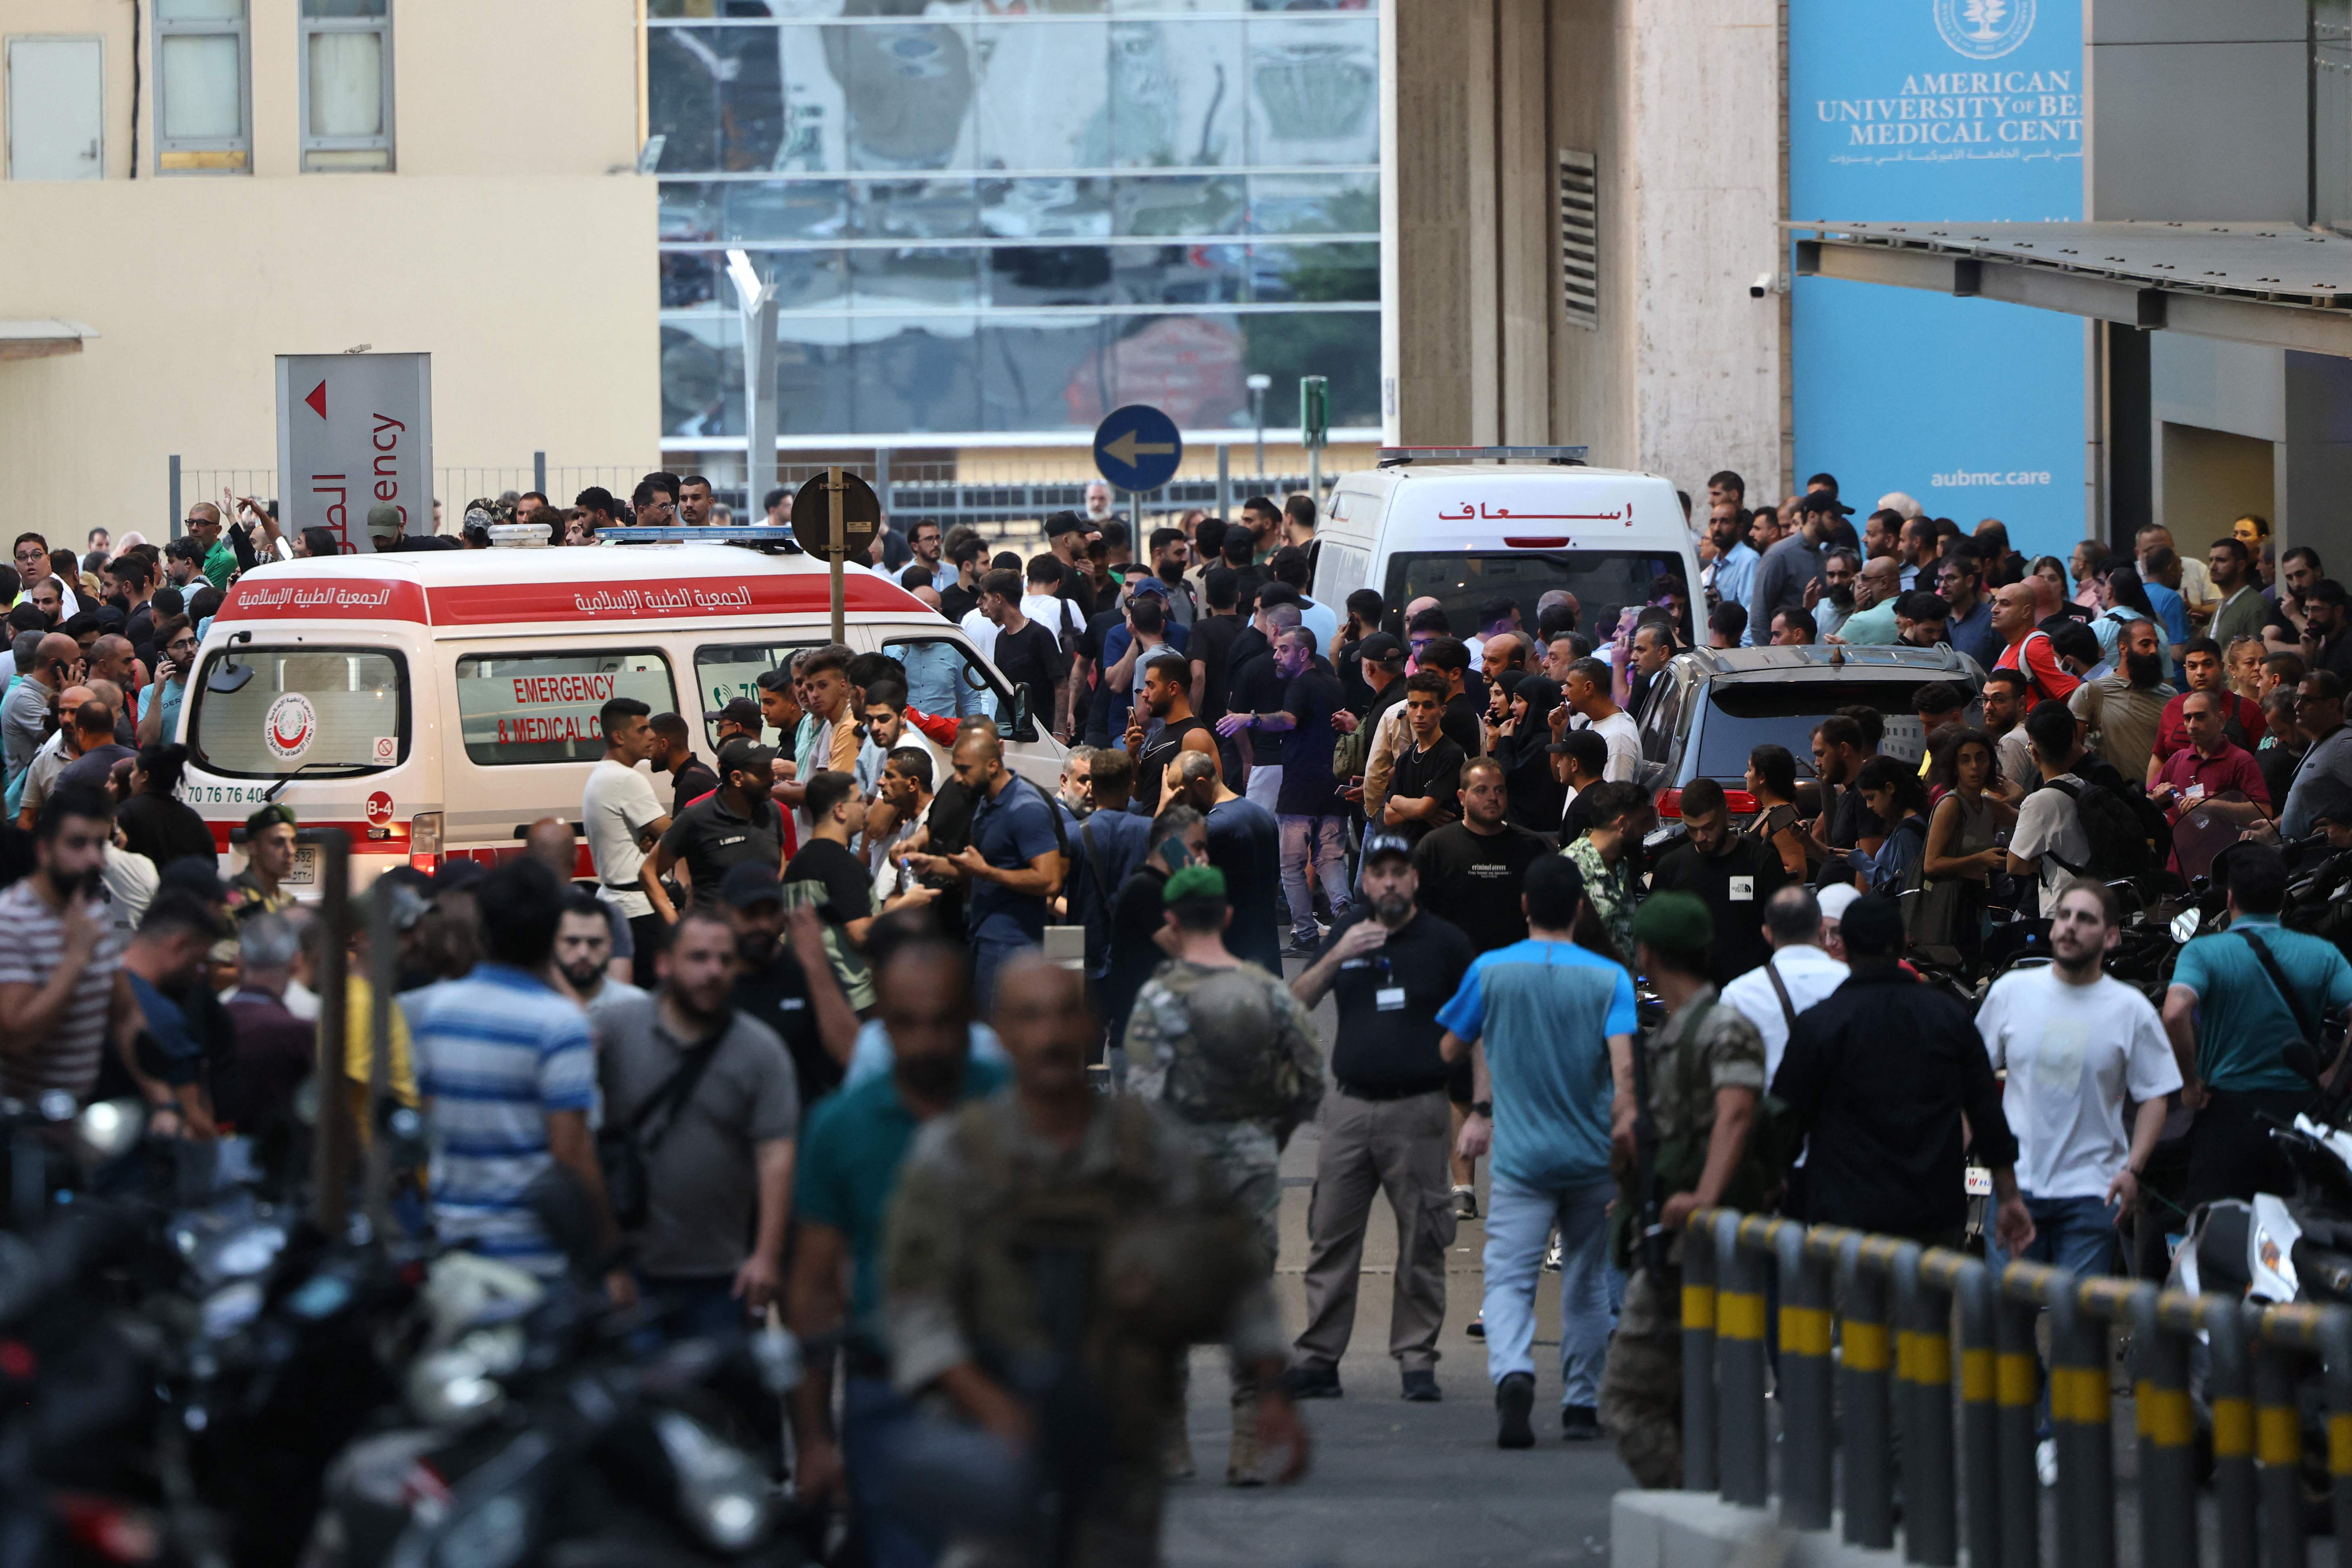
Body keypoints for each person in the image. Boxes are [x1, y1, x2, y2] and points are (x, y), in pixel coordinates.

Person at [882, 956, 1307, 1562]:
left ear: (1092, 1023)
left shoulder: (1153, 1146)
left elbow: (1233, 1267)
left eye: (1063, 1014)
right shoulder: (955, 1155)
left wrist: (1270, 1388)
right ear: (999, 1031)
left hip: (1121, 1444)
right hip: (995, 1446)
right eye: (1029, 1017)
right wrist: (986, 1402)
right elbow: (914, 1304)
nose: (1049, 1036)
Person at [789, 938, 1005, 1568]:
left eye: (943, 1021)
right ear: (881, 1020)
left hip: (1002, 1386)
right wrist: (812, 1438)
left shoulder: (1013, 1103)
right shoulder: (842, 1125)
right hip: (886, 1393)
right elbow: (811, 1290)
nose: (926, 1042)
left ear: (968, 1016)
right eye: (906, 1023)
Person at [1123, 864, 1325, 1482]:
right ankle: (1246, 1446)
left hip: (1177, 1172)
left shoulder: (1158, 997)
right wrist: (1269, 1134)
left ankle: (1172, 1445)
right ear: (1229, 917)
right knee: (1248, 1297)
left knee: (1163, 1303)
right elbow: (1310, 1077)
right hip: (1252, 1163)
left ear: (1173, 922)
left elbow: (1141, 1097)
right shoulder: (1266, 991)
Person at [1439, 856, 1636, 1447]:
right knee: (1584, 1283)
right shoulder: (1609, 978)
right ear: (1580, 907)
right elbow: (1624, 1073)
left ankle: (1514, 1372)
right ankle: (1579, 1401)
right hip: (1591, 1156)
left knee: (1508, 1276)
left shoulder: (1489, 970)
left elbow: (1450, 1043)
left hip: (1522, 1158)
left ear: (1523, 906)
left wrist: (1481, 1103)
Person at [1287, 831, 1476, 1403]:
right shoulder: (1347, 932)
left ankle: (1416, 1358)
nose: (1389, 881)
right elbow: (1296, 1000)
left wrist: (1479, 1109)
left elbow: (1477, 1027)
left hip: (1418, 1108)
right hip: (1348, 1106)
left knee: (1422, 1237)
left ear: (1413, 879)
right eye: (1379, 872)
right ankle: (1320, 1357)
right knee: (1329, 1236)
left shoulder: (1444, 942)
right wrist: (1340, 953)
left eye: (1399, 871)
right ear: (1364, 881)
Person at [1597, 892, 1766, 1487]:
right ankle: (1709, 1502)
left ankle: (1698, 1502)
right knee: (1682, 1398)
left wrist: (1705, 1196)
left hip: (1695, 1237)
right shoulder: (1677, 1030)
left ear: (1646, 953)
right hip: (1669, 1236)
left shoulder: (1719, 1025)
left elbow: (1737, 1111)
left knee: (1626, 1398)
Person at [1772, 894, 2033, 1251]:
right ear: (1902, 943)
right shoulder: (1948, 1019)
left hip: (1845, 1215)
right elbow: (1985, 1112)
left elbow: (1785, 1120)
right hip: (1932, 1212)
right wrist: (2009, 1196)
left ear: (1842, 945)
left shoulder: (1819, 1025)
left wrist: (1776, 1188)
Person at [595, 908, 798, 1333]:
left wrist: (766, 1255)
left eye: (725, 960)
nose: (713, 971)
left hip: (724, 1273)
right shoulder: (615, 1031)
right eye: (699, 957)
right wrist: (604, 1260)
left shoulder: (760, 1051)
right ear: (664, 963)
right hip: (635, 1270)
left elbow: (776, 1151)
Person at [413, 859, 615, 1280]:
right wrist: (609, 1253)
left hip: (453, 1251)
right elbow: (572, 1157)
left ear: (484, 927)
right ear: (551, 931)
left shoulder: (437, 1013)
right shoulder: (559, 1024)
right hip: (534, 1259)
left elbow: (428, 1128)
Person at [1978, 879, 2177, 1307]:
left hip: (2092, 1194)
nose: (2069, 926)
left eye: (2085, 919)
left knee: (2077, 1329)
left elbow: (2156, 1094)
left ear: (2110, 935)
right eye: (2064, 915)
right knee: (2007, 1325)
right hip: (2015, 1186)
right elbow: (1972, 1080)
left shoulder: (2131, 1009)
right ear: (2051, 929)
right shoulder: (2010, 992)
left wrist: (2133, 1169)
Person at [2163, 844, 2352, 1208]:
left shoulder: (2203, 952)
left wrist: (2189, 1084)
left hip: (2226, 1114)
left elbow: (2174, 1013)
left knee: (2212, 1232)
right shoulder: (2321, 953)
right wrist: (2335, 1074)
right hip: (2298, 1116)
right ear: (2282, 897)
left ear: (2230, 897)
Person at [903, 727, 1065, 1005]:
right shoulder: (984, 804)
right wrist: (932, 864)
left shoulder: (1026, 807)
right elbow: (977, 870)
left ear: (992, 765)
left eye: (964, 770)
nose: (957, 778)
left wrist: (987, 872)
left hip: (1014, 945)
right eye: (955, 769)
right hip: (983, 935)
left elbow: (1050, 880)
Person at [0, 785, 131, 1105]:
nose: (93, 858)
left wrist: (163, 1095)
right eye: (77, 843)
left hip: (83, 1119)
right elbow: (17, 1035)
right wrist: (76, 957)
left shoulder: (93, 914)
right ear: (44, 849)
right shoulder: (10, 921)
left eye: (100, 844)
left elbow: (125, 1013)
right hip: (21, 1128)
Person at [1648, 776, 1789, 987]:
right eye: (1691, 829)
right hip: (1693, 993)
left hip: (1752, 990)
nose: (1700, 837)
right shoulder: (1671, 867)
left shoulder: (1761, 862)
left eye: (1709, 827)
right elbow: (1658, 937)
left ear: (1727, 816)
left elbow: (1784, 931)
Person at [1168, 748, 1283, 976]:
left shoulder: (1214, 828)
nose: (1178, 803)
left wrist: (1165, 813)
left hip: (1230, 959)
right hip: (1266, 955)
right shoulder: (1263, 815)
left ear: (1200, 785)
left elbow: (1174, 873)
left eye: (1180, 795)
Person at [1718, 886, 1849, 1086]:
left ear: (1767, 934)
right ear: (1822, 931)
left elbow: (1726, 1076)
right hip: (1844, 1113)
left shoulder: (1738, 994)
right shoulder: (1852, 982)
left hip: (1770, 1113)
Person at [583, 697, 674, 978]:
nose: (653, 735)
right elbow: (676, 835)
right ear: (619, 737)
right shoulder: (626, 779)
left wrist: (655, 840)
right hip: (640, 908)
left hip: (619, 903)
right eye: (642, 729)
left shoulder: (602, 773)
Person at [655, 738, 787, 911]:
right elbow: (649, 872)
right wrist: (674, 923)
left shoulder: (772, 810)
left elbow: (780, 856)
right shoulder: (695, 817)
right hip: (716, 934)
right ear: (737, 778)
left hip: (763, 933)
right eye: (763, 773)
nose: (773, 778)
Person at [2007, 701, 2097, 917]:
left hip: (2060, 910)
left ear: (2035, 753)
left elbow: (2014, 864)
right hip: (2092, 902)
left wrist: (2035, 861)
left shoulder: (2040, 801)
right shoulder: (2084, 787)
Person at [2069, 616, 2175, 783]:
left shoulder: (2170, 696)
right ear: (2123, 648)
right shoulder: (2092, 692)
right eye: (2145, 644)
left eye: (2156, 644)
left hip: (2160, 798)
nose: (2154, 651)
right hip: (2114, 799)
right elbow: (2071, 751)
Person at [1379, 672, 1467, 846]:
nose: (1420, 713)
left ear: (1442, 711)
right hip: (1409, 851)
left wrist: (1401, 802)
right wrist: (1424, 811)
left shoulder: (1451, 754)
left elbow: (1423, 808)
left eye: (1428, 706)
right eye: (1414, 705)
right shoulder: (1406, 758)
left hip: (1440, 850)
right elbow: (1388, 816)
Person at [977, 569, 1065, 743]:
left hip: (1043, 736)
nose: (984, 606)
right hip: (1013, 736)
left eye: (986, 599)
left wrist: (1059, 733)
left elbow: (1062, 685)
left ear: (998, 599)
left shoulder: (1039, 634)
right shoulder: (1001, 639)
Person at [1128, 650, 1216, 815]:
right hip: (1155, 833)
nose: (1145, 694)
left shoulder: (1194, 737)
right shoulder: (1160, 733)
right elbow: (1139, 794)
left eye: (1151, 685)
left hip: (1175, 837)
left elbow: (1210, 802)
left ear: (1173, 688)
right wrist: (1133, 756)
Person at [1991, 581, 2081, 710]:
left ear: (2026, 612)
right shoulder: (2009, 649)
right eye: (1995, 603)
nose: (1994, 610)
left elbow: (2076, 694)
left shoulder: (2035, 647)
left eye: (2005, 604)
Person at [1559, 657, 1640, 783]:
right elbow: (1561, 778)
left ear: (1588, 688)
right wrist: (1558, 733)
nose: (1564, 693)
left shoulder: (1618, 738)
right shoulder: (1593, 722)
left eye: (1569, 686)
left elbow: (1612, 799)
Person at [1741, 743, 1810, 879]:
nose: (1745, 776)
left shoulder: (1782, 818)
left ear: (1762, 778)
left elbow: (1797, 872)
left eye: (1749, 770)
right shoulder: (1771, 811)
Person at [228, 802, 299, 921]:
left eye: (293, 842)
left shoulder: (288, 902)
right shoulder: (234, 904)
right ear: (253, 848)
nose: (291, 851)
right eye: (278, 843)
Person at [647, 712, 720, 817]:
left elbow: (681, 833)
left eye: (651, 745)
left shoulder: (689, 786)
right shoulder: (701, 771)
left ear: (664, 745)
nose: (649, 752)